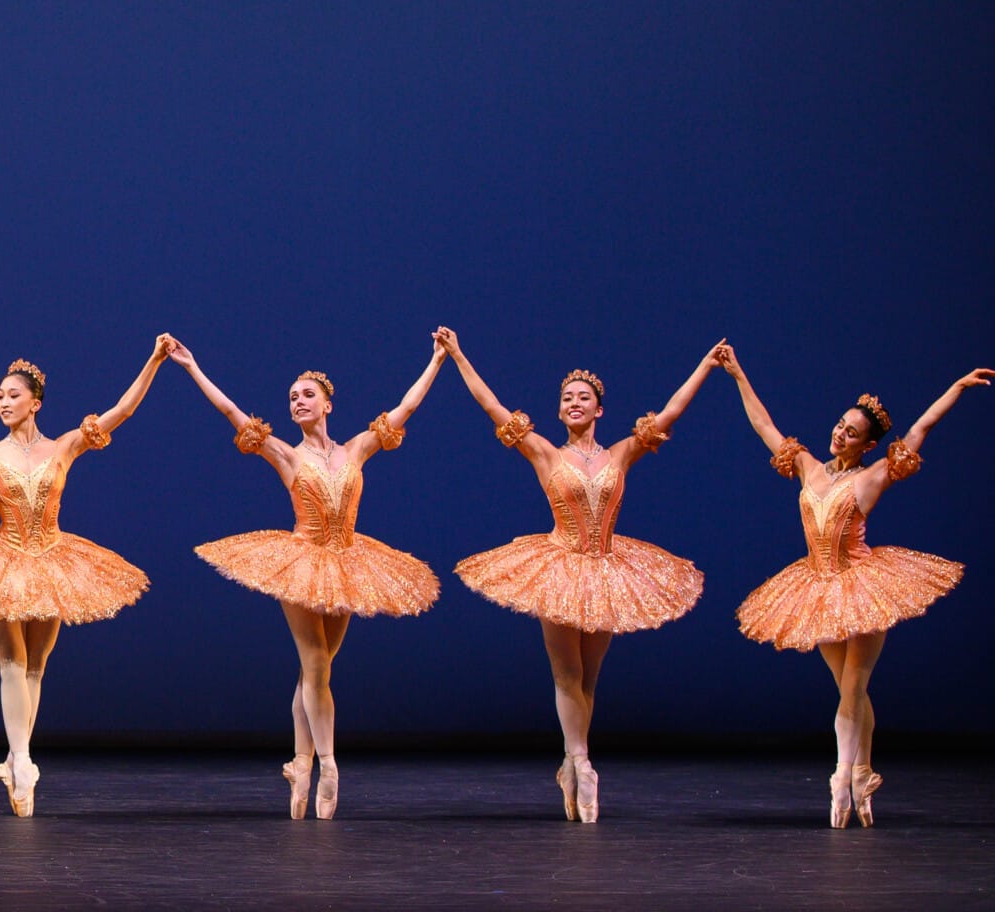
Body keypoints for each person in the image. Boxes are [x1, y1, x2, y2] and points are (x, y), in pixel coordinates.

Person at [440, 328, 722, 821]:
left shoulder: (621, 453)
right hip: (558, 566)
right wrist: (459, 355)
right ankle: (583, 765)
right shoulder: (546, 453)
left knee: (589, 679)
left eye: (583, 398)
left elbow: (672, 412)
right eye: (567, 397)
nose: (574, 403)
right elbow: (493, 407)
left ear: (599, 410)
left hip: (609, 569)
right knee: (567, 673)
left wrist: (705, 364)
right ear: (559, 409)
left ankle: (571, 765)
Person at [166, 333, 446, 820]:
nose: (297, 402)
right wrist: (192, 368)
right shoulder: (286, 454)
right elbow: (231, 412)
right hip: (300, 561)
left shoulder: (357, 448)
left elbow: (406, 406)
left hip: (348, 562)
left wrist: (439, 358)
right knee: (315, 664)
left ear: (327, 404)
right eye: (292, 397)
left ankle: (300, 763)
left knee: (315, 673)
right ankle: (330, 767)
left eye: (306, 395)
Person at [718, 343, 987, 826]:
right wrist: (738, 375)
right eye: (841, 426)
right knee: (850, 690)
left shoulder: (873, 476)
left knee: (854, 686)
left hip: (862, 584)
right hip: (817, 588)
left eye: (852, 433)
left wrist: (957, 389)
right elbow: (764, 426)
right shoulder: (808, 467)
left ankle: (841, 778)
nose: (840, 434)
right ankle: (861, 773)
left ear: (867, 445)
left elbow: (920, 429)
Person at [0, 344, 167, 815]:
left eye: (12, 395)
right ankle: (23, 761)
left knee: (36, 666)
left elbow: (121, 411)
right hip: (6, 559)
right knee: (11, 661)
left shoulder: (63, 446)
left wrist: (155, 360)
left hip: (54, 559)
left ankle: (17, 757)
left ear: (34, 403)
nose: (3, 402)